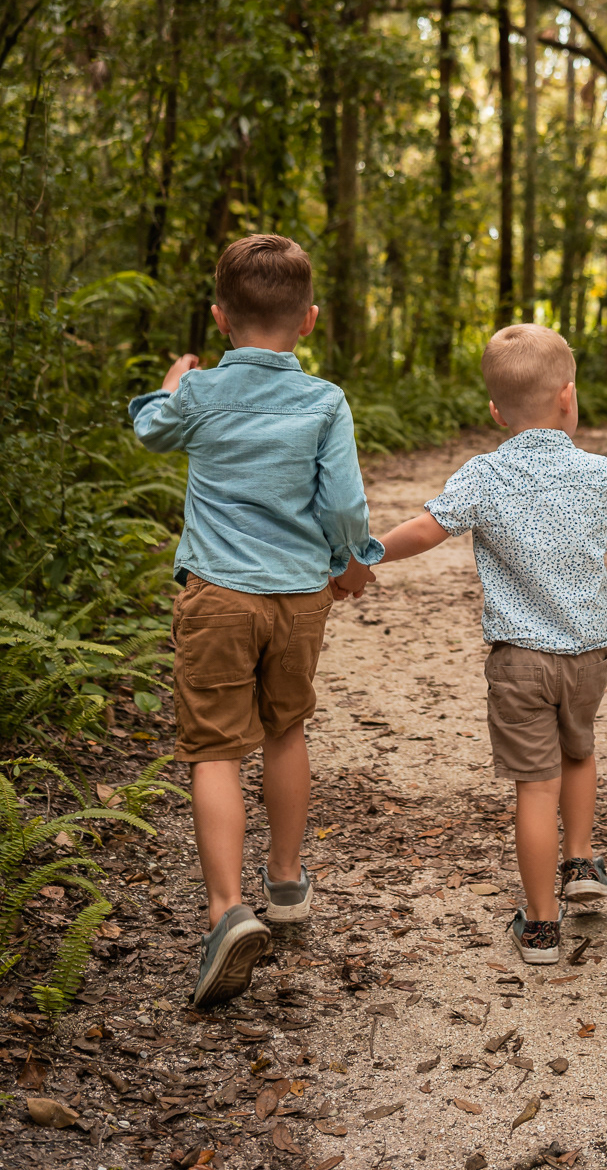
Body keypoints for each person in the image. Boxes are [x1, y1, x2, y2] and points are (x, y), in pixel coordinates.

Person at [333, 324, 607, 963]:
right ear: (569, 395)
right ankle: (582, 863)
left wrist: (361, 556)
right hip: (589, 656)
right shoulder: (597, 472)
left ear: (494, 411)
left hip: (520, 663)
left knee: (534, 788)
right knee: (580, 754)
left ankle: (540, 926)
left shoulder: (485, 474)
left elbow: (427, 531)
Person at [128, 235, 383, 1007]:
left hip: (216, 595)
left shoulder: (200, 395)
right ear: (308, 320)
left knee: (214, 747)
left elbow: (150, 431)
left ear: (219, 317)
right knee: (286, 728)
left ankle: (225, 910)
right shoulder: (324, 400)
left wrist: (172, 383)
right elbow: (341, 501)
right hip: (300, 596)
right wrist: (353, 560)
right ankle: (286, 883)